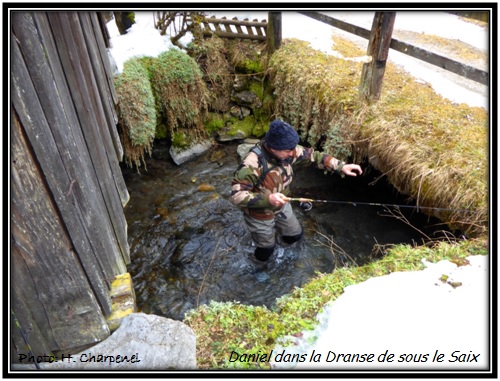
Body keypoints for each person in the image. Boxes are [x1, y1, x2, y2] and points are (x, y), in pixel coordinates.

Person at [230, 119, 363, 263]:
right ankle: (258, 265)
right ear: (273, 148)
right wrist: (269, 199)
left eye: (293, 149)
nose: (293, 153)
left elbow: (314, 156)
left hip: (282, 205)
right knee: (266, 249)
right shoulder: (251, 164)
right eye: (288, 151)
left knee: (294, 236)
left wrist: (340, 166)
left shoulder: (288, 150)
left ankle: (282, 249)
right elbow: (237, 196)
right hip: (260, 214)